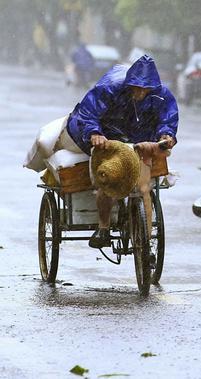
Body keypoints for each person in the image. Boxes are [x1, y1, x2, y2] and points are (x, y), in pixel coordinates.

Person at [64, 54, 178, 248]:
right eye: (136, 88)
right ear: (129, 83)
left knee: (146, 188)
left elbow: (167, 119)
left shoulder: (162, 95)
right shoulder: (109, 90)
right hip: (108, 137)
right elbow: (88, 114)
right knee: (107, 181)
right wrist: (95, 134)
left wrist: (166, 135)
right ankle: (104, 227)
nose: (140, 92)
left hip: (140, 140)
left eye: (145, 89)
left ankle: (147, 241)